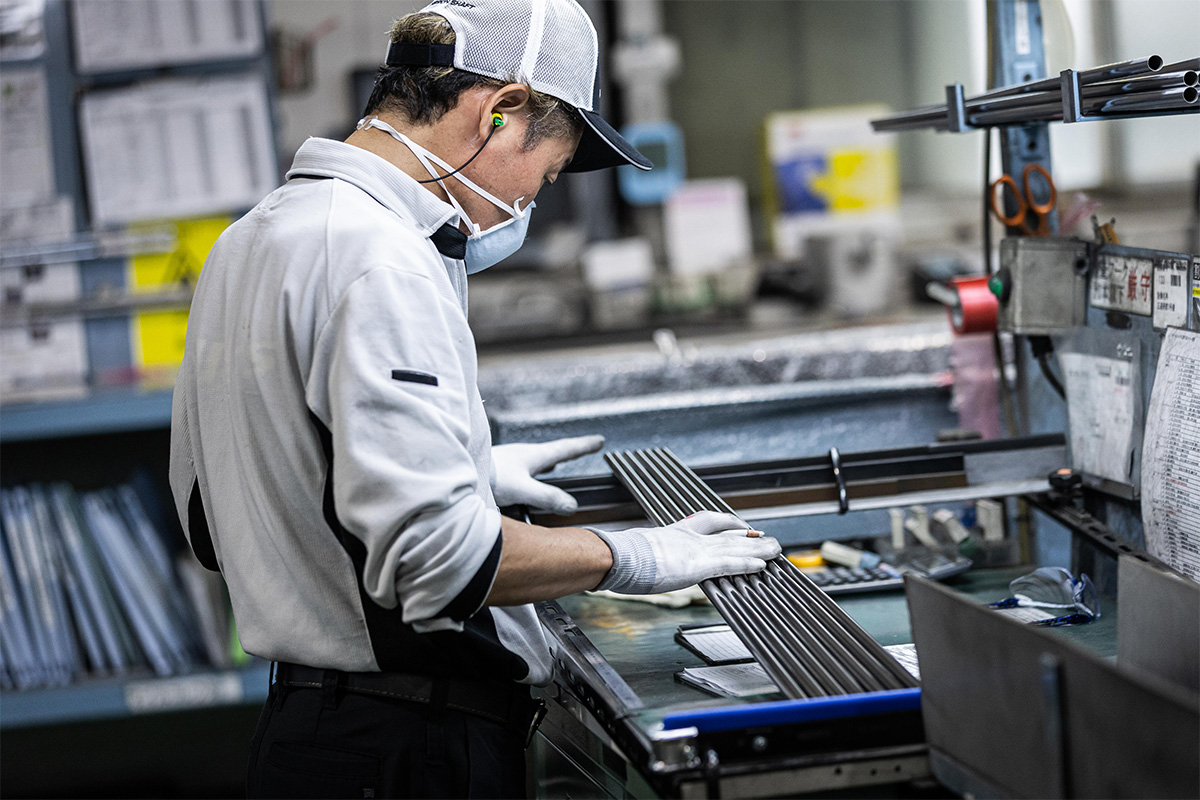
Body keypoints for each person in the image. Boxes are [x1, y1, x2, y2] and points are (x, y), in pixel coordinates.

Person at [168, 0, 780, 797]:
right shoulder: (380, 259)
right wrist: (633, 556)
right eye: (547, 174)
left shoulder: (250, 238)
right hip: (405, 751)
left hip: (309, 738)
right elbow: (440, 563)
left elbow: (212, 519)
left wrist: (456, 470)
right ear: (501, 111)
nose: (531, 203)